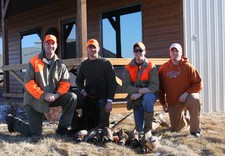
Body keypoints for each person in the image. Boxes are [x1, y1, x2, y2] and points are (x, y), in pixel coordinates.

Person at [6, 27, 77, 141]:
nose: (50, 46)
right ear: (43, 45)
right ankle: (14, 123)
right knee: (35, 134)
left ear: (56, 45)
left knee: (72, 97)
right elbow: (28, 83)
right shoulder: (33, 61)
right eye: (48, 43)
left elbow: (65, 84)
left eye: (53, 44)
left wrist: (56, 95)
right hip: (34, 100)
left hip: (52, 97)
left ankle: (62, 128)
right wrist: (44, 95)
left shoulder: (60, 64)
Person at [158, 43, 202, 138]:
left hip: (187, 97)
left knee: (195, 98)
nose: (174, 53)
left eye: (177, 51)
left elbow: (198, 84)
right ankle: (186, 122)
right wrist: (163, 103)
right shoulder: (163, 68)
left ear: (181, 52)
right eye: (172, 51)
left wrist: (186, 93)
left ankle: (195, 130)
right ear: (169, 53)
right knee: (176, 129)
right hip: (173, 101)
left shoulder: (188, 67)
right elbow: (160, 88)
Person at [75, 38, 117, 130]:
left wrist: (109, 101)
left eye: (94, 47)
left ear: (98, 49)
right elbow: (78, 81)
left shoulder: (106, 63)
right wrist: (82, 91)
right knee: (73, 103)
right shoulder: (84, 64)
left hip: (103, 98)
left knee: (102, 126)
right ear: (87, 49)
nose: (92, 50)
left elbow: (112, 83)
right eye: (90, 47)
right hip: (89, 98)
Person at [122, 42, 159, 135]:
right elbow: (125, 86)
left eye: (140, 50)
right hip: (135, 98)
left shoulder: (151, 66)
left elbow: (154, 85)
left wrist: (140, 93)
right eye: (136, 50)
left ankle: (148, 129)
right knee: (139, 129)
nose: (138, 52)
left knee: (148, 98)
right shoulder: (128, 67)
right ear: (133, 52)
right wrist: (137, 91)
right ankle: (156, 122)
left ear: (145, 51)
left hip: (148, 95)